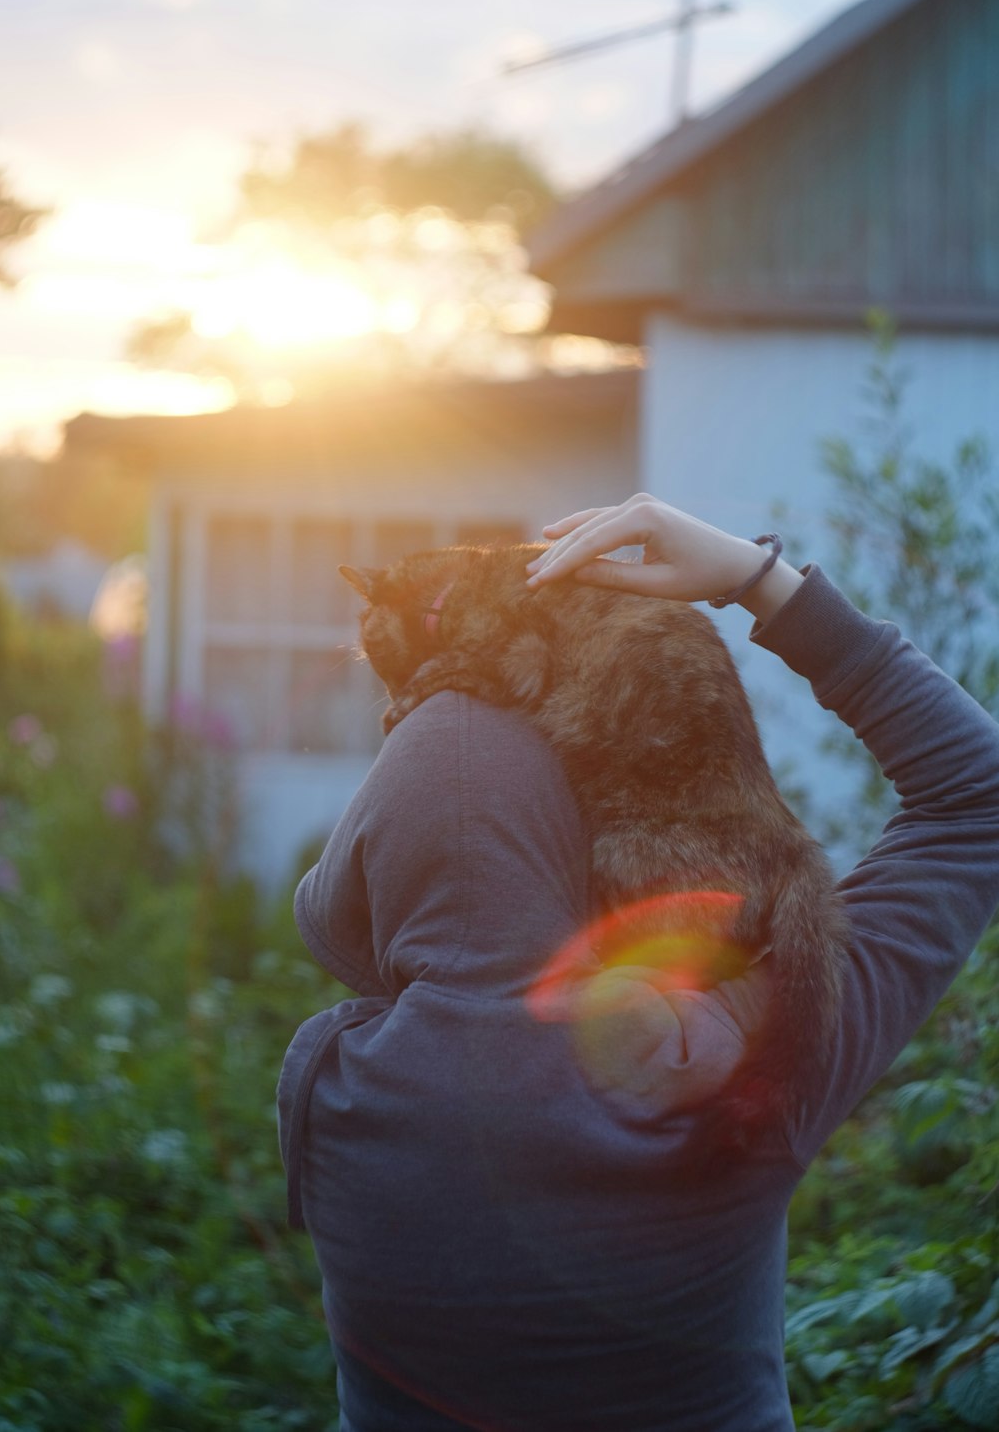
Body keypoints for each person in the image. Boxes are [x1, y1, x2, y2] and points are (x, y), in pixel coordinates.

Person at [278, 493, 999, 1432]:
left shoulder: (328, 1097)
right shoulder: (747, 1058)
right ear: (581, 865)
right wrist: (758, 577)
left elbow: (336, 928)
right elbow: (974, 802)